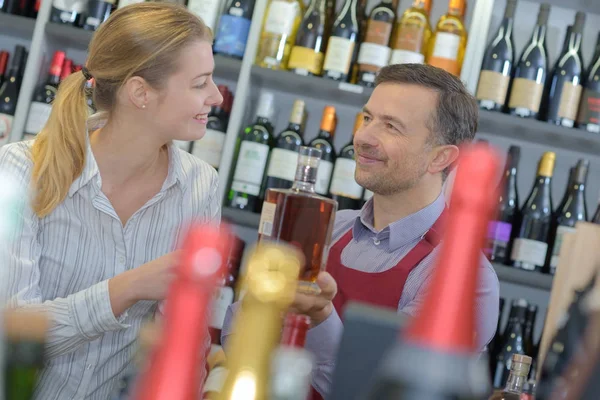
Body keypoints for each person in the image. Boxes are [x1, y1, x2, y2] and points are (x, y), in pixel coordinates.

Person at [221, 63, 500, 398]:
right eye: (367, 118)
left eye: (391, 127)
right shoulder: (328, 226)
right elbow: (238, 328)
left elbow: (386, 393)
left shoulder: (465, 280)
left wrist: (320, 317)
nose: (363, 138)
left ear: (440, 158)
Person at [0, 3, 222, 399]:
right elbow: (10, 333)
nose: (217, 96)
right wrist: (128, 287)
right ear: (140, 92)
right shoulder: (22, 169)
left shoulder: (200, 186)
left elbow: (184, 343)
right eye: (200, 83)